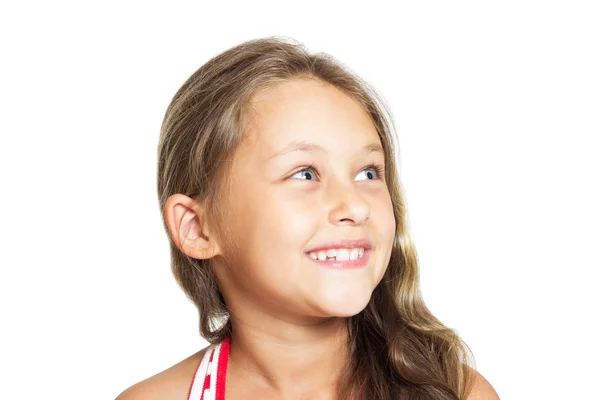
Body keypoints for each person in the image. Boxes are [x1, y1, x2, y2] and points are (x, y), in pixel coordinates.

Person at [116, 36, 500, 400]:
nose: (355, 206)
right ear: (196, 228)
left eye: (368, 172)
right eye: (305, 173)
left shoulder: (455, 392)